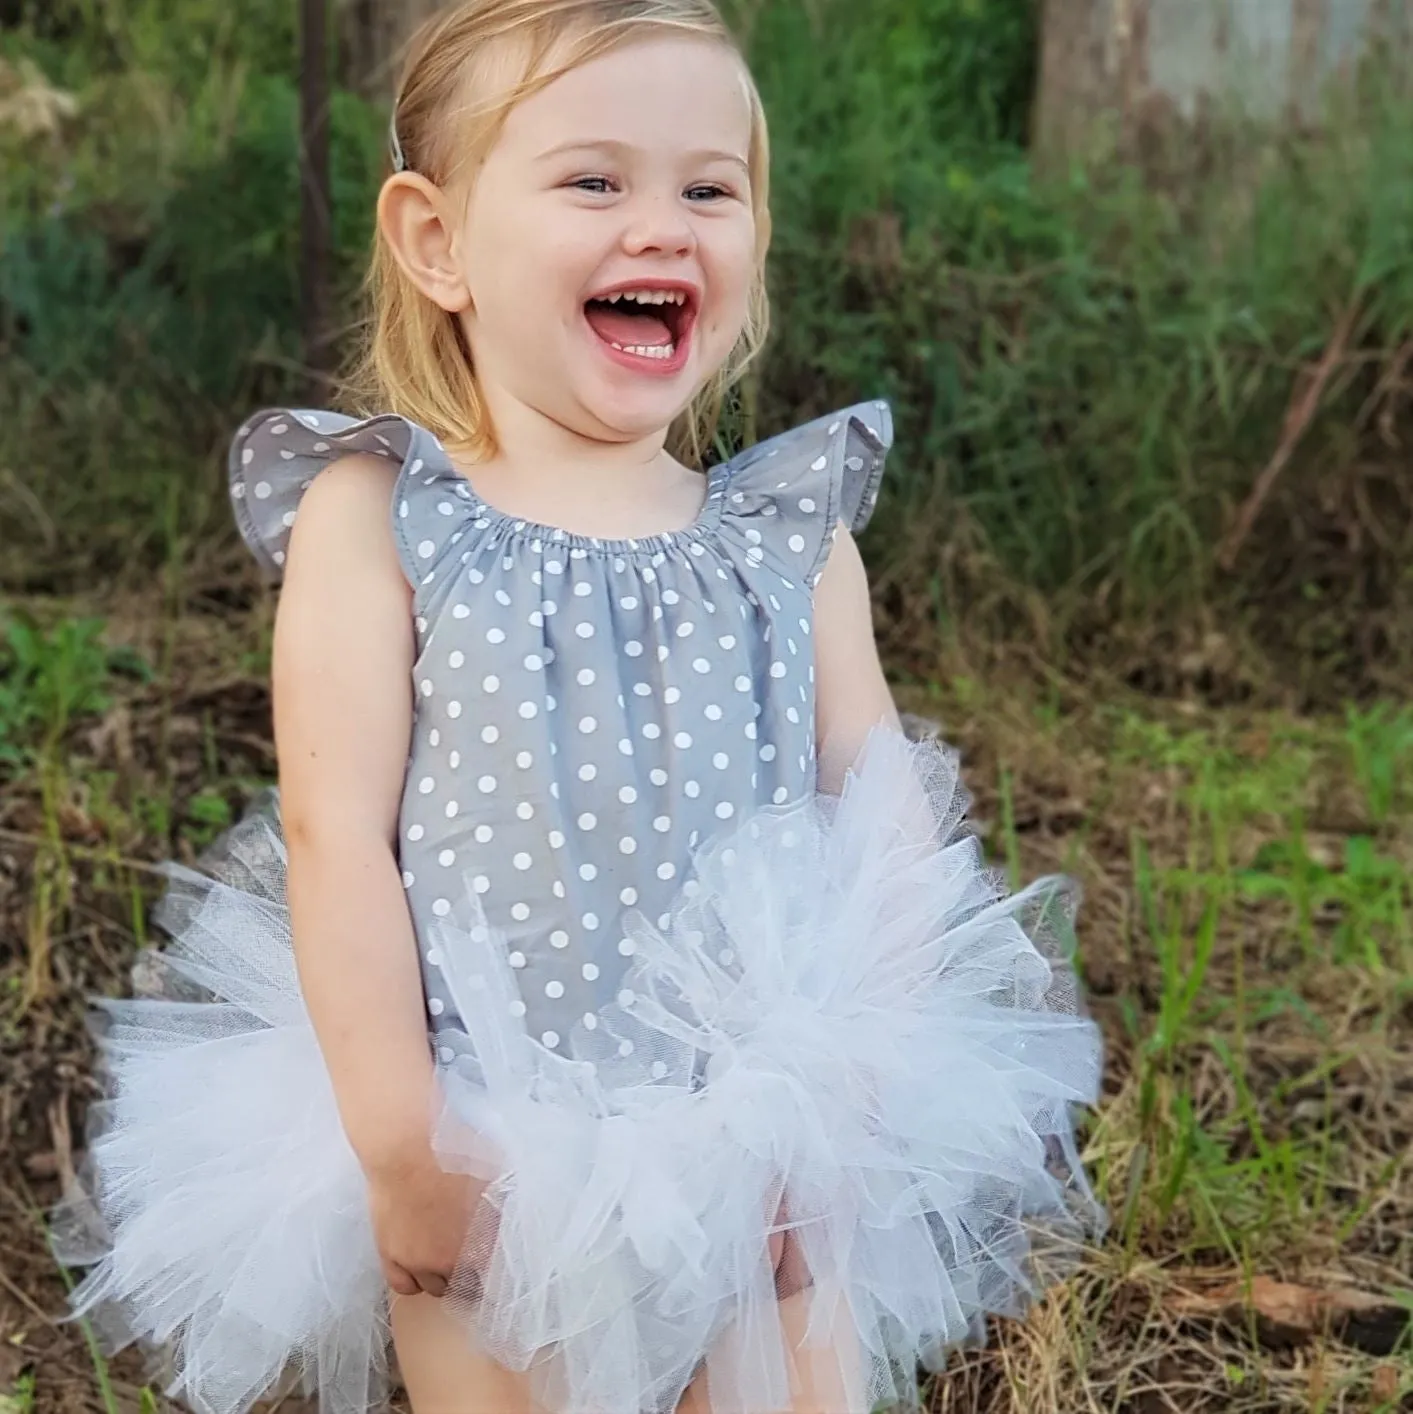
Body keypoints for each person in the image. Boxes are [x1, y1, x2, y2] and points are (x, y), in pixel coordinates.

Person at [53, 3, 1105, 1412]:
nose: (663, 226)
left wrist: (850, 1100)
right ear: (436, 242)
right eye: (596, 180)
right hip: (498, 1134)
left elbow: (885, 811)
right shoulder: (381, 517)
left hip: (757, 1127)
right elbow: (334, 833)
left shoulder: (788, 530)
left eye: (709, 189)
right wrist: (402, 1146)